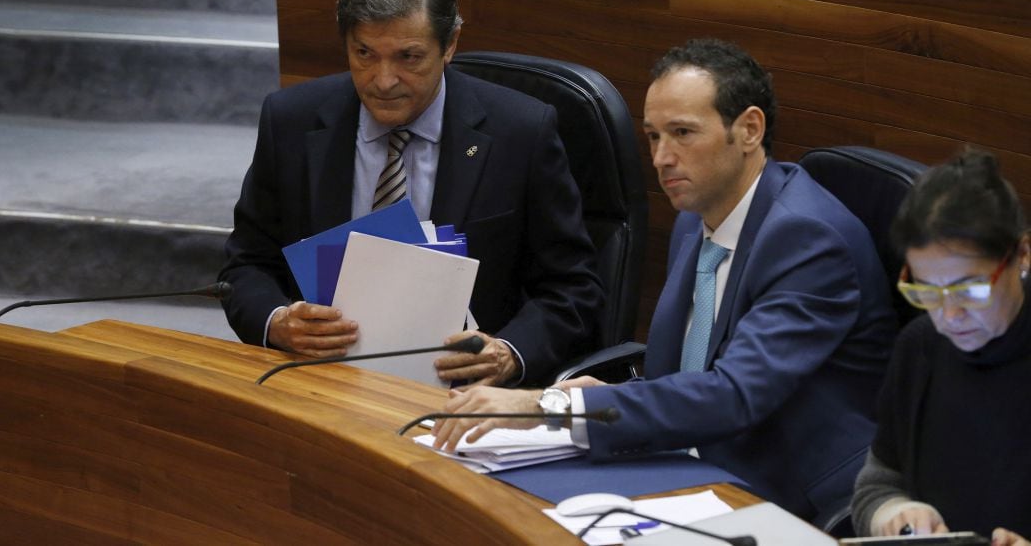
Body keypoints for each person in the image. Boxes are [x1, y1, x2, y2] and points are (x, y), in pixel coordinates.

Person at [432, 38, 897, 522]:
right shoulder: (697, 217)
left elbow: (733, 394)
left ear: (749, 130)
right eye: (654, 136)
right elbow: (684, 374)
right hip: (688, 464)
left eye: (682, 133)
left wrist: (550, 404)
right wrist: (599, 395)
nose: (661, 158)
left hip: (787, 494)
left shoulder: (808, 239)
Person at [219, 0, 602, 386]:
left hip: (463, 397)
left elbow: (574, 289)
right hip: (322, 382)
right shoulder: (291, 122)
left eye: (409, 57)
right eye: (364, 53)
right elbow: (244, 266)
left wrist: (509, 353)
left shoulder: (522, 133)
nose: (383, 80)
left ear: (450, 44)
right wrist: (276, 322)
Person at [851, 150, 1031, 543]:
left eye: (969, 290)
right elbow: (877, 485)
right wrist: (894, 512)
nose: (949, 317)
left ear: (1022, 254)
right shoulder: (920, 346)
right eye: (926, 292)